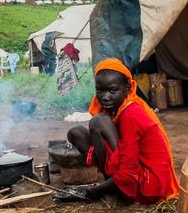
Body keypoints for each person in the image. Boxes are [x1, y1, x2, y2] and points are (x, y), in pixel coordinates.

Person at [63, 58, 179, 204]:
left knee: (99, 122)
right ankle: (112, 183)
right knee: (76, 133)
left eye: (112, 90)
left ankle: (116, 190)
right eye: (100, 90)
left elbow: (129, 172)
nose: (105, 97)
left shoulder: (131, 113)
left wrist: (91, 192)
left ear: (127, 89)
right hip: (134, 171)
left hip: (149, 184)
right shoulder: (116, 108)